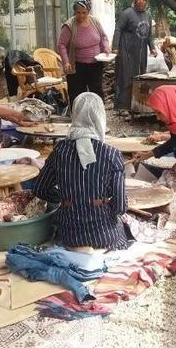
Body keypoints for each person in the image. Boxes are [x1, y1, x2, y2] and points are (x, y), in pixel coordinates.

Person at [33, 92, 129, 250]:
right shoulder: (112, 154)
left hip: (70, 236)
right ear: (100, 117)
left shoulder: (59, 151)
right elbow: (120, 207)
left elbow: (40, 189)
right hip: (104, 238)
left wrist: (66, 199)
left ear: (75, 115)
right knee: (124, 227)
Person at [58, 0, 110, 105]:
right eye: (78, 12)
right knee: (77, 95)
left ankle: (98, 118)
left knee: (97, 92)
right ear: (74, 11)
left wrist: (105, 47)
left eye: (84, 13)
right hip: (77, 67)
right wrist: (66, 61)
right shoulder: (69, 26)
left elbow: (103, 37)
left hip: (96, 64)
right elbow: (62, 44)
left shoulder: (94, 22)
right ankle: (77, 119)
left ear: (88, 12)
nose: (81, 15)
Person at [113, 0, 157, 111]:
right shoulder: (127, 13)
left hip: (141, 53)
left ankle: (137, 105)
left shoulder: (148, 15)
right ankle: (123, 107)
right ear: (135, 0)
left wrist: (152, 48)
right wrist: (115, 47)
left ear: (146, 1)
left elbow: (149, 35)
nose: (141, 1)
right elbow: (118, 29)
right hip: (127, 52)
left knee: (140, 78)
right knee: (126, 78)